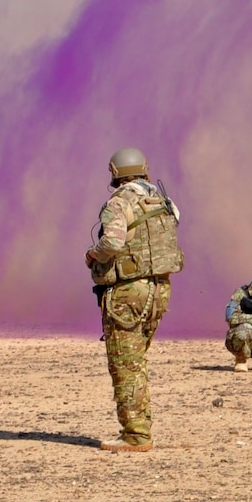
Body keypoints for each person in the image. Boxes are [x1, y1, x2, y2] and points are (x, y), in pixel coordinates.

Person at [85, 147, 183, 452]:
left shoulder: (119, 202)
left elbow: (113, 241)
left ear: (115, 172)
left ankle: (136, 435)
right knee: (136, 361)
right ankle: (139, 428)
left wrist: (92, 256)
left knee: (126, 365)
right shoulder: (163, 201)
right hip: (159, 290)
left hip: (128, 292)